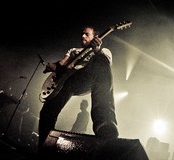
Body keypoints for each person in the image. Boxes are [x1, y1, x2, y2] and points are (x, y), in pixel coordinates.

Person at [38, 25, 119, 153]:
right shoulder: (73, 50)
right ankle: (44, 149)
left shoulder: (103, 50)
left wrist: (97, 49)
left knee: (101, 60)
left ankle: (105, 125)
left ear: (95, 37)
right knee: (47, 111)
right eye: (82, 33)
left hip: (87, 77)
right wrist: (52, 66)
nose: (83, 36)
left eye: (87, 34)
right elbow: (60, 65)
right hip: (68, 81)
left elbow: (104, 69)